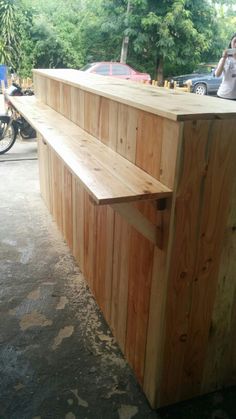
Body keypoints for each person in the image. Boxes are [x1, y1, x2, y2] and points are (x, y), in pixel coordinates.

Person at [215, 33, 236, 100]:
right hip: (223, 95)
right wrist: (224, 58)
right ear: (231, 43)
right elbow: (217, 74)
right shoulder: (225, 59)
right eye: (235, 42)